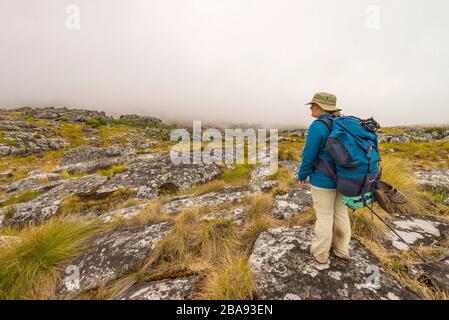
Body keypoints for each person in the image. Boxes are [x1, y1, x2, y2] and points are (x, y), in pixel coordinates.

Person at [298, 92, 352, 264]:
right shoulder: (344, 124)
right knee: (341, 212)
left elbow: (309, 154)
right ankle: (342, 250)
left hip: (323, 180)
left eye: (313, 106)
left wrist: (302, 174)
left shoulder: (318, 126)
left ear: (321, 107)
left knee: (324, 215)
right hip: (346, 179)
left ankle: (320, 254)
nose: (311, 109)